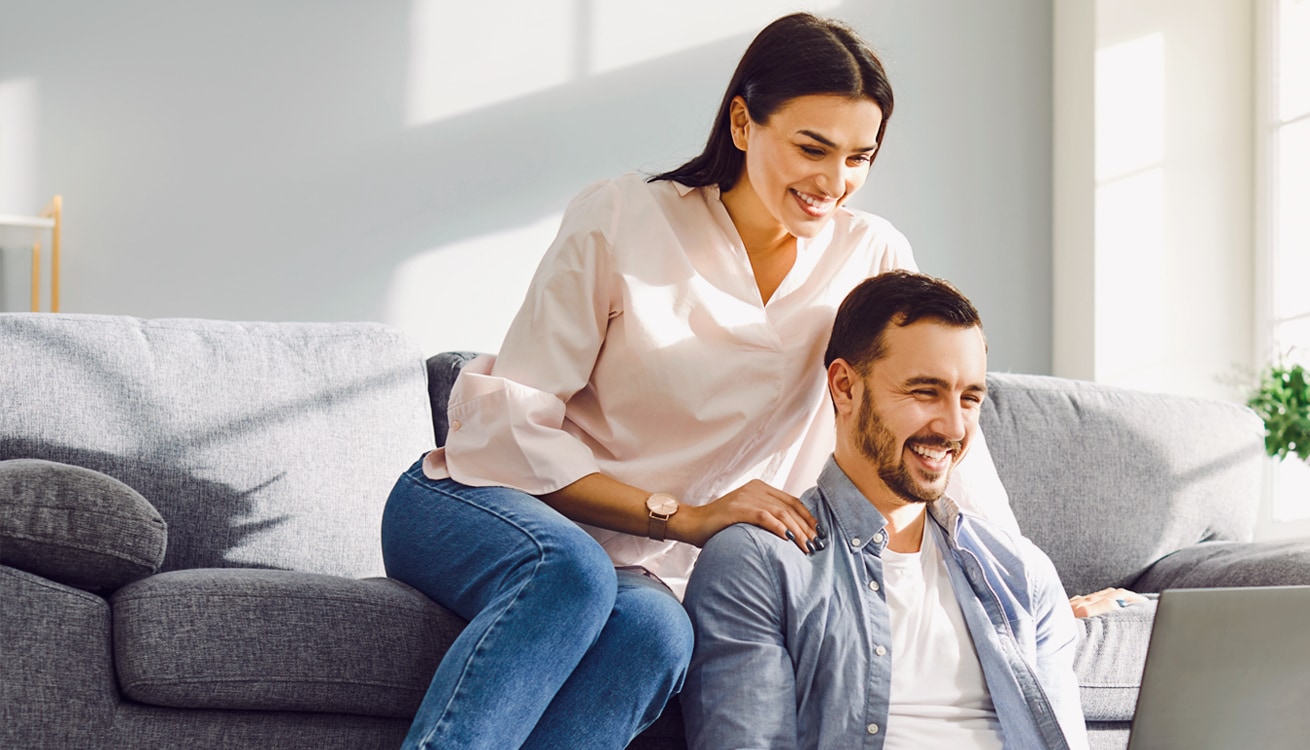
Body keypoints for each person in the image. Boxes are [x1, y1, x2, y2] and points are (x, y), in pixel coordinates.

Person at [378, 14, 1020, 750]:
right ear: (743, 123)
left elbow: (936, 418)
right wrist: (682, 514)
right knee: (574, 573)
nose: (833, 182)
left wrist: (1020, 584)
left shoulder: (870, 254)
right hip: (480, 503)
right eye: (812, 147)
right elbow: (504, 436)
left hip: (640, 567)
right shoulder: (621, 217)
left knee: (658, 635)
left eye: (858, 157)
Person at [682, 271, 1090, 750]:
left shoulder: (1023, 573)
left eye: (970, 398)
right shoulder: (758, 564)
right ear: (845, 387)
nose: (953, 426)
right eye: (924, 392)